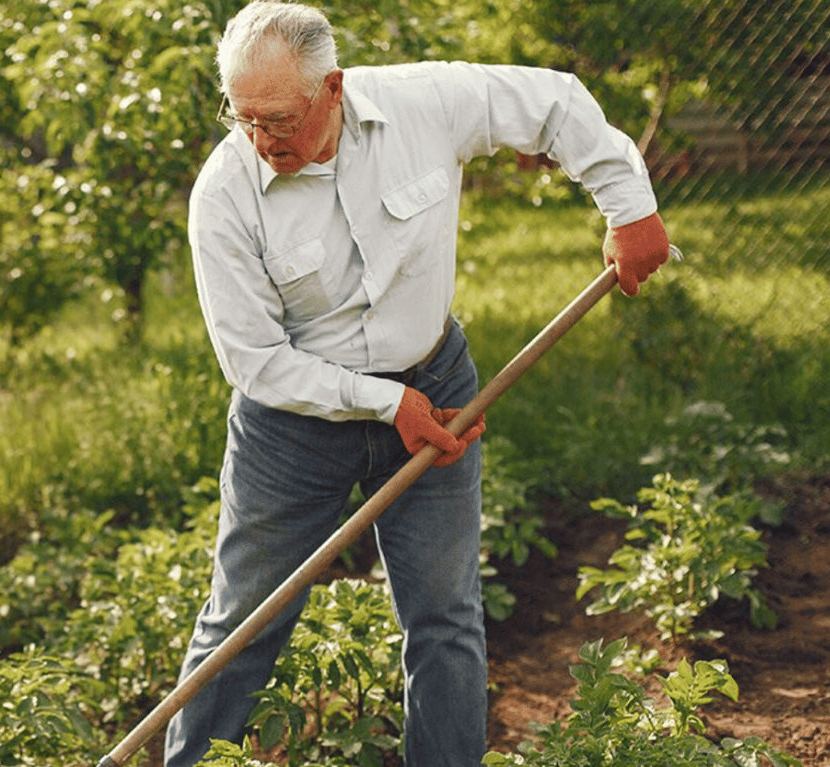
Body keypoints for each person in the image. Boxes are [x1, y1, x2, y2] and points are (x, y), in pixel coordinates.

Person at [168, 1, 672, 765]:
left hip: (435, 388)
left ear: (332, 88)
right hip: (293, 426)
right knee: (244, 618)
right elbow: (256, 363)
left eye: (279, 120)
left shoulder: (423, 104)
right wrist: (384, 403)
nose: (262, 141)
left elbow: (555, 102)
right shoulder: (225, 194)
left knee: (445, 619)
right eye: (244, 120)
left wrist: (629, 206)